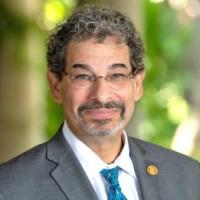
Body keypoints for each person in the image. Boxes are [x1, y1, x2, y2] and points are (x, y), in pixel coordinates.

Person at [0, 5, 199, 200]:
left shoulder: (189, 177)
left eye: (117, 75)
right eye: (83, 76)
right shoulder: (9, 188)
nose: (102, 96)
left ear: (137, 84)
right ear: (56, 85)